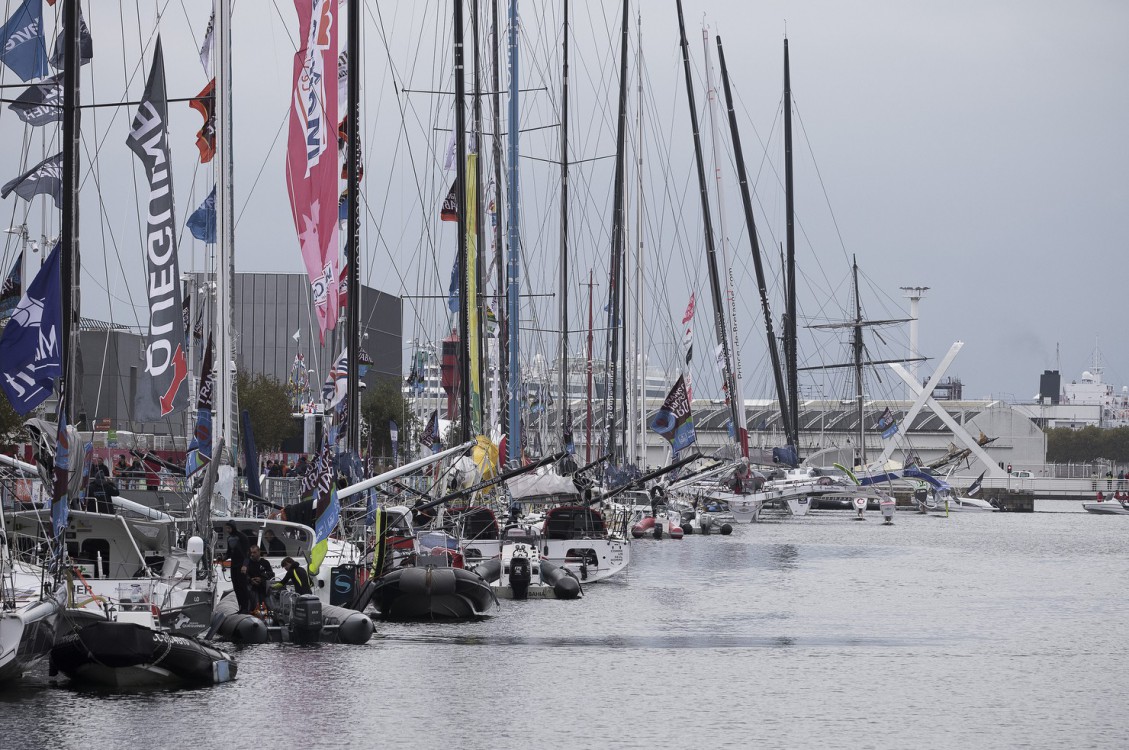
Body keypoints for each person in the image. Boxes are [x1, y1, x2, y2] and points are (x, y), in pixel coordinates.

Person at [223, 521, 252, 614]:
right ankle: (240, 607)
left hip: (241, 565)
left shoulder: (242, 537)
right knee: (236, 587)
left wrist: (245, 565)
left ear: (233, 527)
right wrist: (223, 558)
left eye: (229, 528)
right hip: (234, 565)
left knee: (243, 587)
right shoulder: (229, 538)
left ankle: (246, 608)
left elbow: (248, 553)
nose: (227, 530)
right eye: (226, 528)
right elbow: (229, 552)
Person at [245, 544, 274, 611]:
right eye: (251, 552)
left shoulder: (265, 562)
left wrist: (261, 579)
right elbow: (244, 575)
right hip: (252, 589)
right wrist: (250, 580)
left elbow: (271, 574)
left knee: (268, 606)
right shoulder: (247, 563)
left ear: (259, 552)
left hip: (263, 589)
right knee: (253, 607)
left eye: (254, 552)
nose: (252, 554)